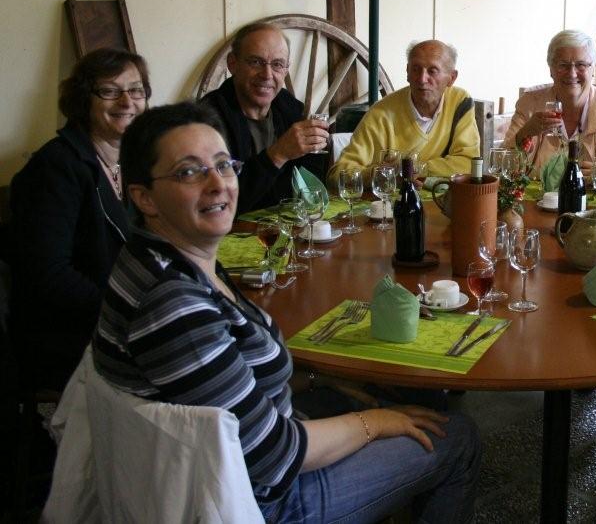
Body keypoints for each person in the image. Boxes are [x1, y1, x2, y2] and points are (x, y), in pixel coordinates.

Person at [93, 102, 481, 522]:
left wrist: (323, 381)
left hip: (232, 453)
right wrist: (373, 423)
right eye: (189, 172)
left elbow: (227, 386)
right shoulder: (173, 306)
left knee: (407, 394)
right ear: (143, 197)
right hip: (266, 499)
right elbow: (275, 456)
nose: (217, 184)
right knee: (455, 437)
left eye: (223, 165)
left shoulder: (161, 258)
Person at [10, 48, 150, 392]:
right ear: (83, 99)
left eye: (136, 90)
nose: (126, 101)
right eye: (109, 90)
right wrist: (127, 311)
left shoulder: (134, 160)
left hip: (124, 319)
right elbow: (48, 275)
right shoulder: (56, 168)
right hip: (73, 337)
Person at [201, 23, 329, 214]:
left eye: (277, 65)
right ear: (232, 64)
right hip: (230, 233)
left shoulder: (289, 107)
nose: (267, 75)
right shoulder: (207, 120)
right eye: (255, 62)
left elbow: (312, 178)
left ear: (286, 70)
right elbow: (219, 201)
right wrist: (278, 154)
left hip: (282, 226)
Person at [502, 30, 596, 178]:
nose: (572, 73)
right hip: (538, 200)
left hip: (593, 200)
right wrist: (525, 134)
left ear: (593, 70)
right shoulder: (530, 104)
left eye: (581, 65)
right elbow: (502, 166)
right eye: (563, 65)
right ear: (551, 69)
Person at [331, 39, 479, 178]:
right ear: (407, 72)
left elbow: (468, 163)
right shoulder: (381, 114)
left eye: (432, 71)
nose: (422, 79)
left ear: (452, 78)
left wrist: (414, 169)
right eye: (416, 69)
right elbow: (338, 173)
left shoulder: (459, 101)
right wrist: (380, 174)